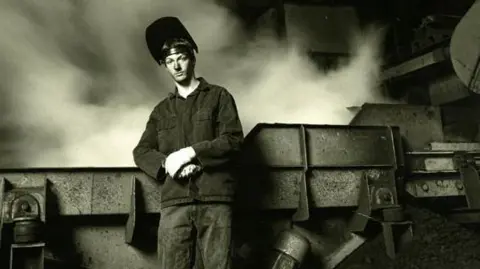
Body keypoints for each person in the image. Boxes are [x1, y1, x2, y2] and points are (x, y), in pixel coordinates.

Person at [133, 16, 244, 269]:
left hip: (215, 199)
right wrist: (169, 164)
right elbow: (141, 151)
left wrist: (191, 153)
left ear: (192, 58)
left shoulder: (218, 97)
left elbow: (233, 140)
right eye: (170, 62)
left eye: (181, 58)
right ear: (165, 66)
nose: (176, 66)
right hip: (176, 202)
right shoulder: (161, 111)